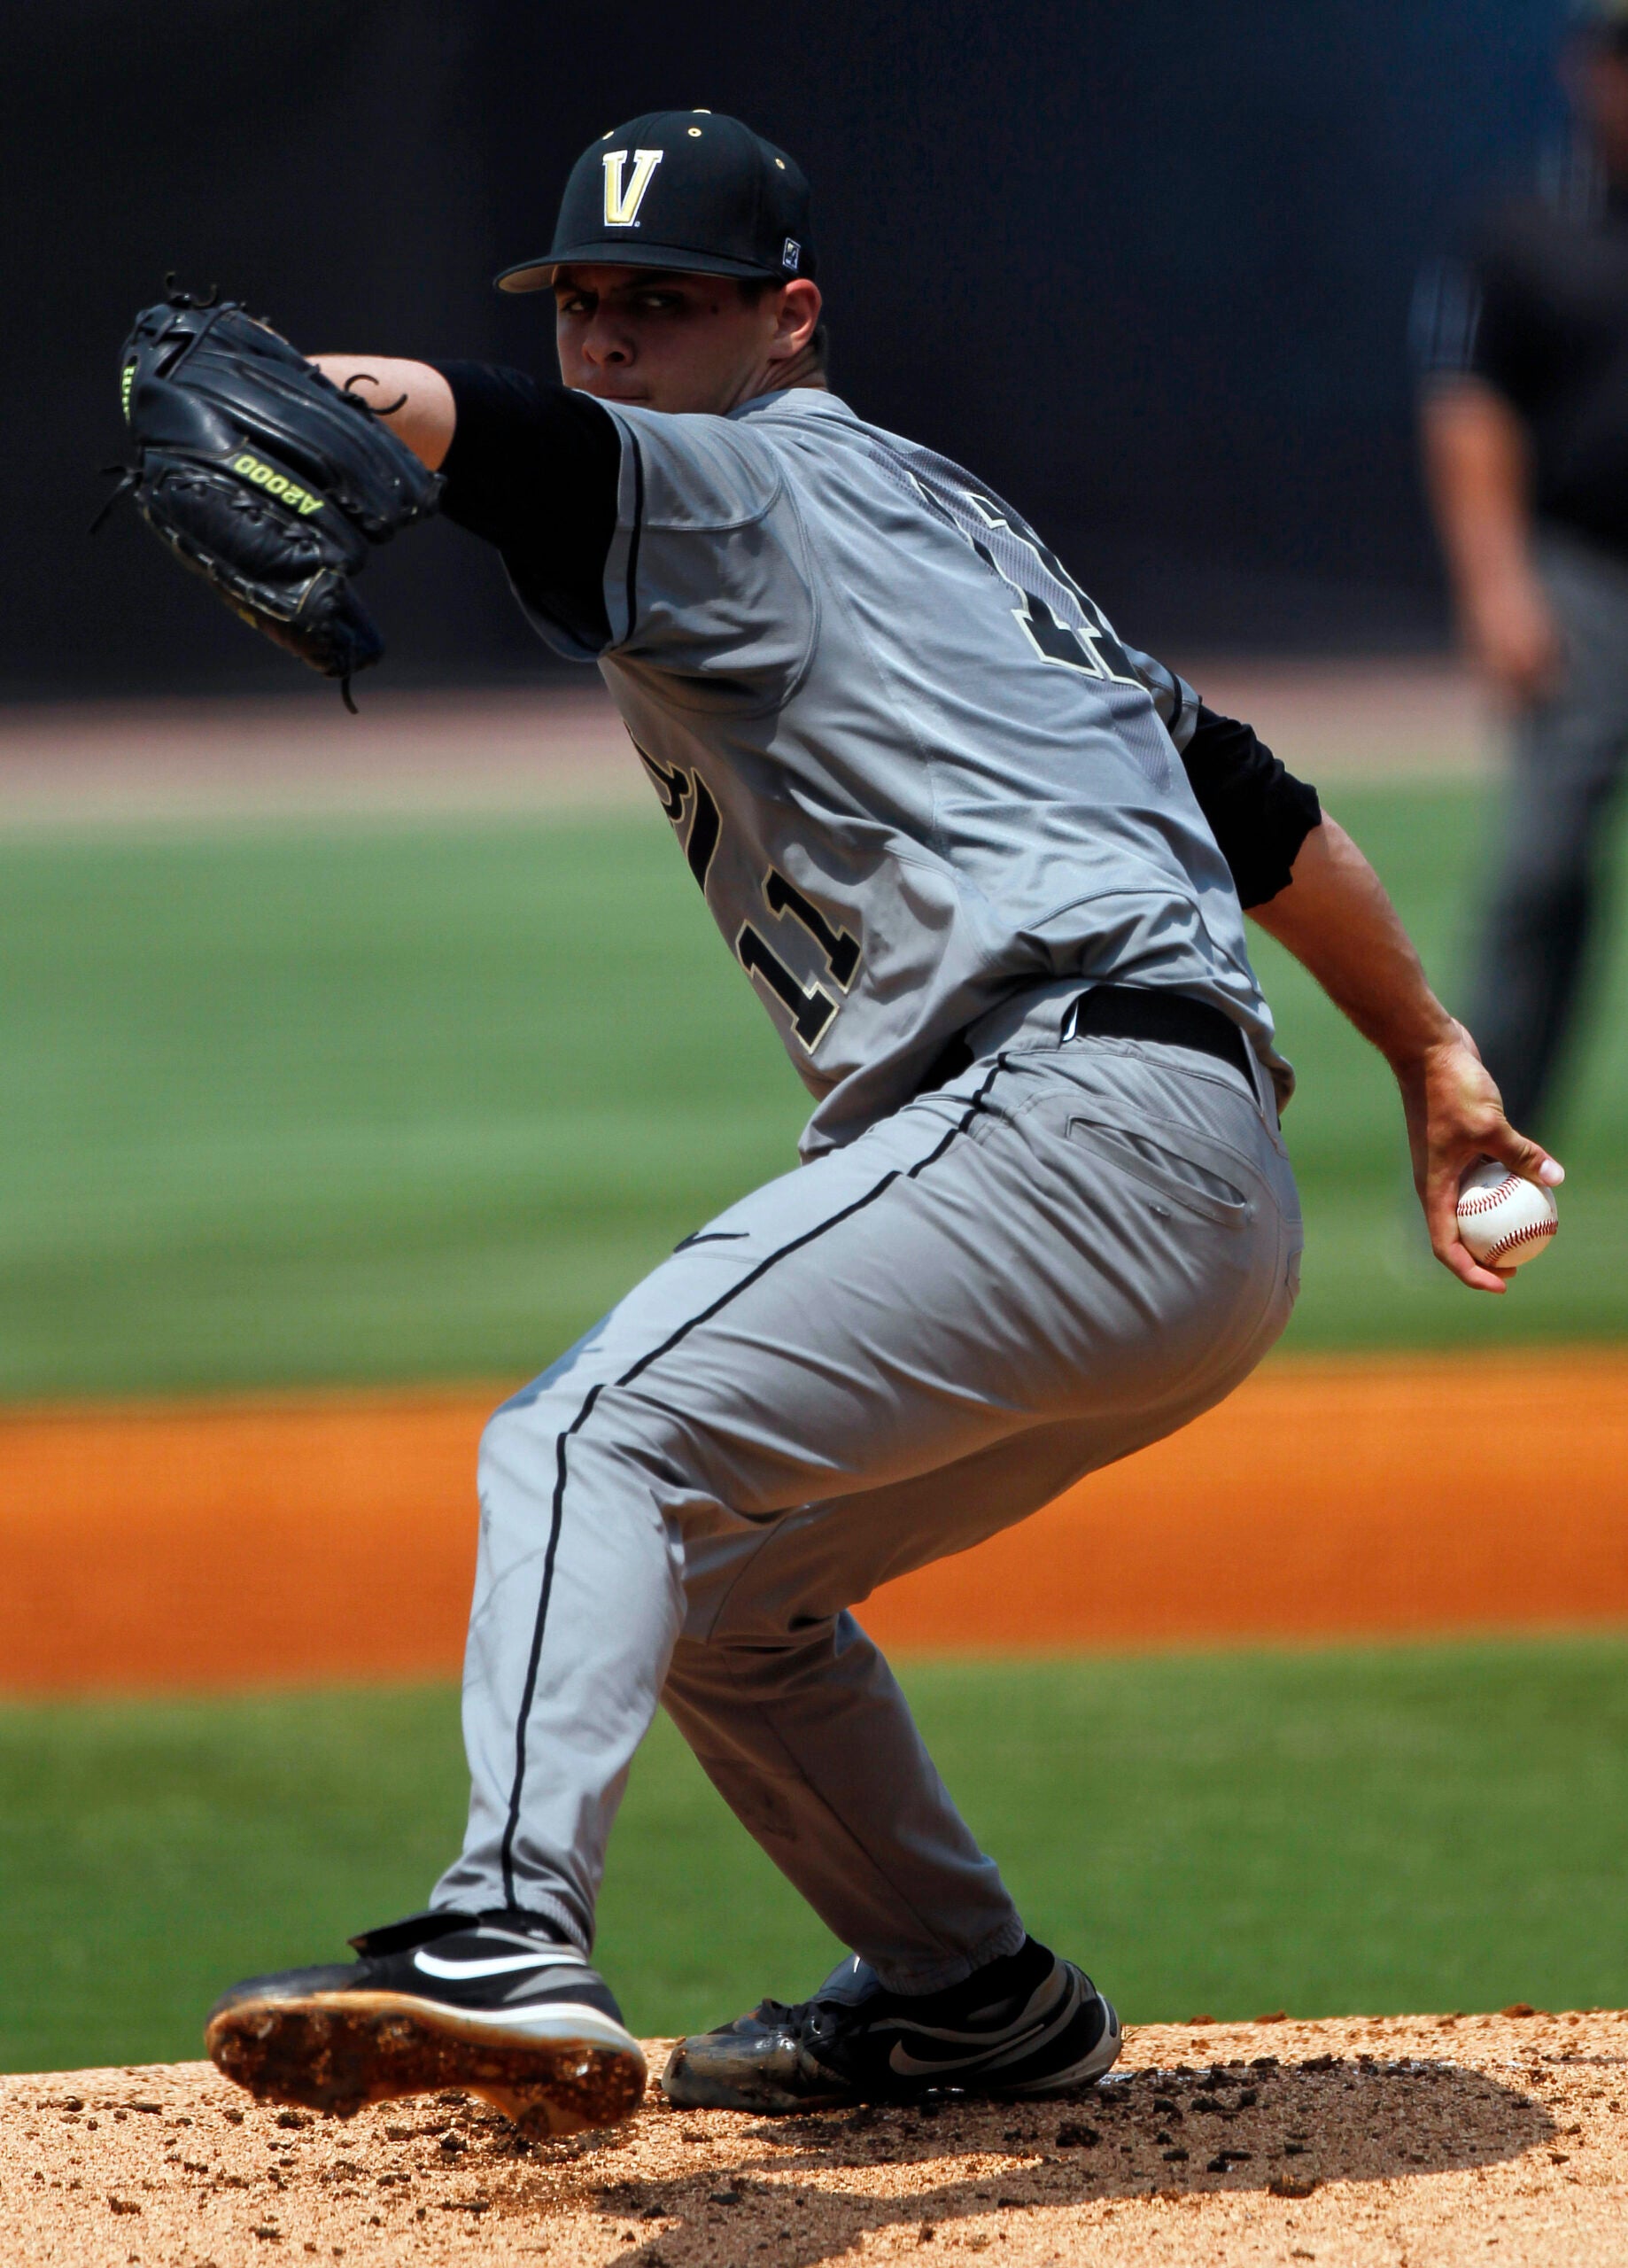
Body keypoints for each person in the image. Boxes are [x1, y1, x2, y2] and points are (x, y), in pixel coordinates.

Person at [205, 111, 1561, 2138]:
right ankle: (966, 1989)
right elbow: (1246, 795)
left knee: (588, 1433)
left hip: (1067, 1122)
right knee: (722, 1589)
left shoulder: (729, 475)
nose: (610, 342)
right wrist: (1434, 1055)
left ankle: (502, 1922)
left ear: (786, 316)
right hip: (1196, 1197)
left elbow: (496, 435)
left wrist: (327, 398)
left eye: (660, 303)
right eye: (581, 301)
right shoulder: (944, 517)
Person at [1415, 0, 1628, 1134]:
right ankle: (1491, 1135)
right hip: (1584, 574)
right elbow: (1467, 414)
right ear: (1586, 70)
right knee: (1540, 871)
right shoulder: (1522, 228)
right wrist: (1496, 585)